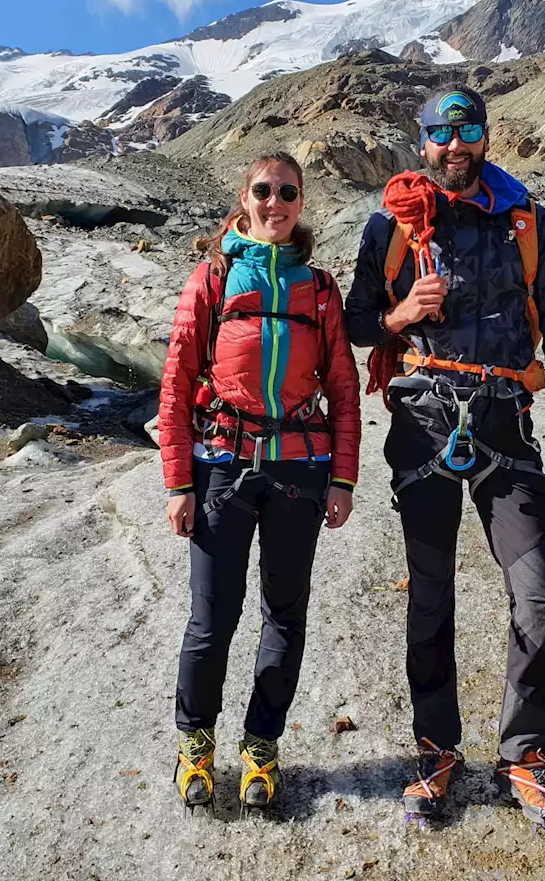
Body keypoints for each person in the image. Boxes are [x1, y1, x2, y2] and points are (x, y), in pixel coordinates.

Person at [345, 85, 545, 829]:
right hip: (424, 422)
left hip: (506, 424)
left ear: (487, 137)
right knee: (431, 592)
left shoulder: (526, 222)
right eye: (442, 134)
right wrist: (400, 315)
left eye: (470, 131)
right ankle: (436, 748)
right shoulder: (390, 225)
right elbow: (357, 321)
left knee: (539, 593)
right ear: (420, 140)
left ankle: (525, 753)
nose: (457, 146)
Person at [158, 152, 361, 812]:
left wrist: (345, 479)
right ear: (245, 199)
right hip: (221, 464)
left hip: (300, 470)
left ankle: (260, 748)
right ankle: (195, 745)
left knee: (284, 614)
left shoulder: (320, 288)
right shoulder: (213, 278)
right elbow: (178, 382)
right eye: (263, 191)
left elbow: (342, 389)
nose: (275, 203)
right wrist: (179, 483)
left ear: (302, 204)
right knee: (212, 619)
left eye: (288, 193)